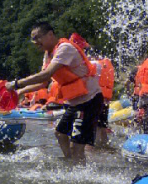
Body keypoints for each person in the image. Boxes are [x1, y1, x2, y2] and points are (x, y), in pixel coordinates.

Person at [8, 22, 103, 162]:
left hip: (89, 100)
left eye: (37, 38)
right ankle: (72, 163)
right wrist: (21, 91)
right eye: (32, 39)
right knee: (60, 133)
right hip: (75, 102)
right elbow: (43, 83)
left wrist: (16, 84)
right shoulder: (48, 55)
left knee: (77, 146)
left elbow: (47, 74)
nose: (35, 42)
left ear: (50, 34)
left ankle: (79, 169)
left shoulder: (64, 48)